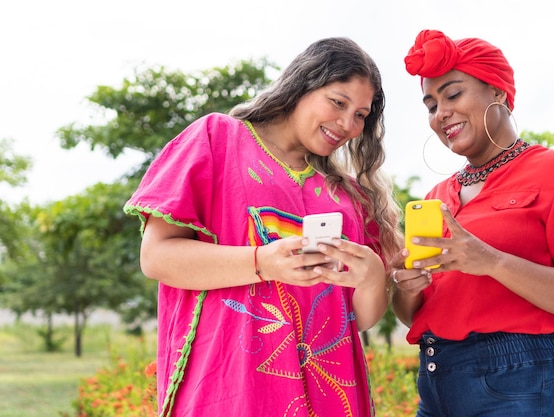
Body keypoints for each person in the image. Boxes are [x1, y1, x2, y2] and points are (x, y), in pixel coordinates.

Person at [123, 37, 402, 417]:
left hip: (331, 396)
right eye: (338, 102)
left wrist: (371, 281)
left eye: (360, 115)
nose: (347, 124)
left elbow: (360, 319)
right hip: (233, 390)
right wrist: (261, 261)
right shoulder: (217, 139)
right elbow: (156, 257)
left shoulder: (348, 195)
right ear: (302, 83)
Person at [391, 29, 554, 417]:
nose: (440, 113)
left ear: (498, 92)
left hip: (526, 384)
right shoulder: (435, 196)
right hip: (436, 384)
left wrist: (492, 261)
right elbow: (414, 315)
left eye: (453, 94)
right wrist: (406, 287)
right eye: (430, 105)